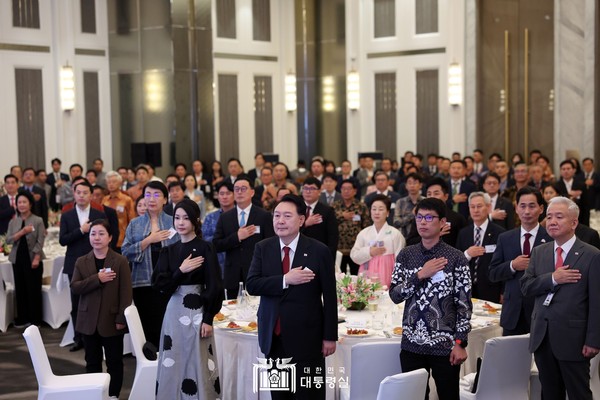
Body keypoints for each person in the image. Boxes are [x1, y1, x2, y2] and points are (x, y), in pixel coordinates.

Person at [246, 194, 338, 400]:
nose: (280, 221)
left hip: (308, 340)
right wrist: (285, 279)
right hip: (274, 338)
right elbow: (252, 284)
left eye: (287, 216)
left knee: (309, 396)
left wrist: (330, 336)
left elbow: (330, 297)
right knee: (280, 396)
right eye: (276, 215)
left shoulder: (318, 250)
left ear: (302, 220)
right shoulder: (263, 247)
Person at [389, 198, 471, 400]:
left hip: (445, 345)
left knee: (448, 395)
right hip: (412, 343)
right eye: (419, 217)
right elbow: (395, 295)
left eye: (429, 217)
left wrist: (460, 342)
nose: (422, 222)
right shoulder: (406, 255)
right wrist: (420, 275)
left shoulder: (456, 257)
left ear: (442, 222)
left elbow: (464, 304)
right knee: (414, 396)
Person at [521, 196, 600, 400]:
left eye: (559, 216)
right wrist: (552, 279)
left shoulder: (592, 255)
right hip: (542, 337)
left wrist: (593, 340)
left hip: (574, 339)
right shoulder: (539, 252)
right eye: (548, 217)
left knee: (578, 393)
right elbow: (526, 287)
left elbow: (597, 302)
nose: (552, 221)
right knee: (549, 393)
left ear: (574, 222)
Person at [152, 199, 223, 399]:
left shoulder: (205, 247)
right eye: (177, 218)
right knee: (173, 356)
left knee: (198, 358)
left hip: (198, 310)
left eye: (186, 218)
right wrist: (180, 271)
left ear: (195, 221)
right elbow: (159, 285)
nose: (181, 222)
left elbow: (215, 284)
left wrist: (208, 318)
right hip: (174, 309)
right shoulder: (169, 250)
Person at [70, 219, 132, 399]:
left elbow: (126, 293)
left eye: (101, 234)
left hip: (112, 320)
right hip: (88, 320)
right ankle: (95, 394)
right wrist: (97, 279)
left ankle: (113, 395)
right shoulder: (82, 261)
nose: (96, 238)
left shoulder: (120, 261)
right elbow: (75, 287)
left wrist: (121, 318)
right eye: (93, 234)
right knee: (92, 362)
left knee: (114, 362)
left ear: (110, 237)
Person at [122, 181, 180, 348]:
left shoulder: (173, 222)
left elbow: (181, 249)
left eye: (157, 195)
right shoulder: (135, 224)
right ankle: (150, 367)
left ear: (165, 199)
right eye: (148, 195)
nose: (151, 199)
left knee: (168, 327)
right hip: (142, 284)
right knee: (148, 329)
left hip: (169, 283)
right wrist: (148, 240)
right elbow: (125, 252)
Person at [489, 187, 551, 336]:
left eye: (532, 206)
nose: (527, 211)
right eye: (522, 206)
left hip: (541, 310)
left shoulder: (550, 238)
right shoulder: (505, 238)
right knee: (512, 357)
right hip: (513, 312)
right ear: (516, 208)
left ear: (541, 209)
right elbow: (493, 273)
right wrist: (512, 265)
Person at [59, 181, 107, 352]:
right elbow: (62, 240)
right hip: (74, 263)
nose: (81, 195)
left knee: (98, 301)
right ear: (74, 193)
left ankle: (97, 337)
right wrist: (81, 230)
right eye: (78, 192)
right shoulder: (67, 215)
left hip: (95, 261)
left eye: (85, 192)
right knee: (77, 303)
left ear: (91, 194)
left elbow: (105, 236)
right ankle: (78, 338)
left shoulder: (98, 213)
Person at [213, 175, 275, 300]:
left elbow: (272, 245)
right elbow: (216, 245)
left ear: (252, 192)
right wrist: (236, 237)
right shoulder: (225, 217)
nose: (239, 192)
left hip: (257, 273)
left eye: (243, 189)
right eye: (236, 189)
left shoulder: (264, 216)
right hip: (232, 276)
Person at [6, 191, 46, 327]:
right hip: (17, 259)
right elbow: (8, 240)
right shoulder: (13, 221)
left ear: (30, 204)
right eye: (19, 203)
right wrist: (22, 232)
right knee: (20, 288)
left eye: (24, 202)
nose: (21, 205)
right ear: (16, 205)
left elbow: (41, 240)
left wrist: (36, 257)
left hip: (33, 258)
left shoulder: (38, 220)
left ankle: (35, 319)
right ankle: (22, 318)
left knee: (33, 289)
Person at [456, 192, 505, 303]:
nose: (476, 210)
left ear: (488, 207)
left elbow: (503, 264)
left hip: (491, 290)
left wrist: (503, 291)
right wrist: (467, 254)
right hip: (467, 290)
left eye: (479, 206)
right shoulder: (463, 233)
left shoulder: (500, 233)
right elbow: (456, 262)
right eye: (472, 207)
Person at [351, 195, 405, 288]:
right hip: (366, 272)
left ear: (388, 213)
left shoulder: (395, 234)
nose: (377, 212)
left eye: (381, 209)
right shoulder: (364, 233)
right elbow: (354, 255)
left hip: (387, 272)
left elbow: (400, 261)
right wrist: (369, 252)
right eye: (374, 209)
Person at [333, 179, 370, 275]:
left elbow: (366, 227)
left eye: (349, 189)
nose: (346, 191)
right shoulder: (334, 206)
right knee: (340, 276)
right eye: (343, 188)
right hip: (339, 249)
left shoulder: (361, 206)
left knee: (356, 275)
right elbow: (329, 224)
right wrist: (342, 216)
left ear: (355, 191)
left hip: (356, 249)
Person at [300, 177, 339, 260]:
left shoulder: (327, 211)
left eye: (312, 189)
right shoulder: (296, 209)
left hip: (318, 253)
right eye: (305, 188)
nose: (308, 191)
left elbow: (333, 237)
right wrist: (305, 224)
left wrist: (329, 259)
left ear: (319, 191)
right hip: (298, 252)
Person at [202, 181, 235, 276]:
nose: (224, 197)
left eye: (228, 193)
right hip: (216, 263)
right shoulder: (210, 217)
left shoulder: (240, 216)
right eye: (221, 194)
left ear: (234, 195)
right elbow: (205, 241)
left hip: (237, 262)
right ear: (217, 196)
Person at [103, 171, 136, 250]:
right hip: (106, 238)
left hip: (122, 238)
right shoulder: (104, 199)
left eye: (114, 182)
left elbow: (132, 220)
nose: (111, 184)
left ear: (120, 183)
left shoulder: (127, 199)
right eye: (109, 182)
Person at [393, 172, 424, 238]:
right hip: (405, 238)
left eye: (415, 183)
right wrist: (412, 215)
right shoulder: (400, 202)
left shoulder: (425, 201)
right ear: (406, 186)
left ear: (420, 185)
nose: (412, 185)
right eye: (409, 183)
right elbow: (396, 223)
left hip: (423, 237)